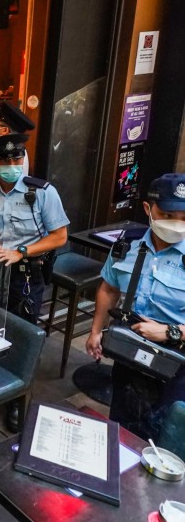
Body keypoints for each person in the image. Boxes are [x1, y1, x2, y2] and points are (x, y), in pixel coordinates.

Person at [0, 133, 69, 431]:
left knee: (24, 331)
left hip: (26, 273)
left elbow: (59, 236)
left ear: (23, 159)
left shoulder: (43, 193)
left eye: (17, 158)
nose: (12, 164)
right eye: (4, 159)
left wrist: (21, 251)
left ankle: (18, 399)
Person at [85, 174, 185, 439]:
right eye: (167, 215)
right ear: (148, 209)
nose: (176, 224)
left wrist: (171, 331)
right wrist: (96, 330)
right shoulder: (127, 244)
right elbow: (109, 288)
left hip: (177, 361)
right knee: (123, 427)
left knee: (165, 436)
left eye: (184, 218)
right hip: (130, 351)